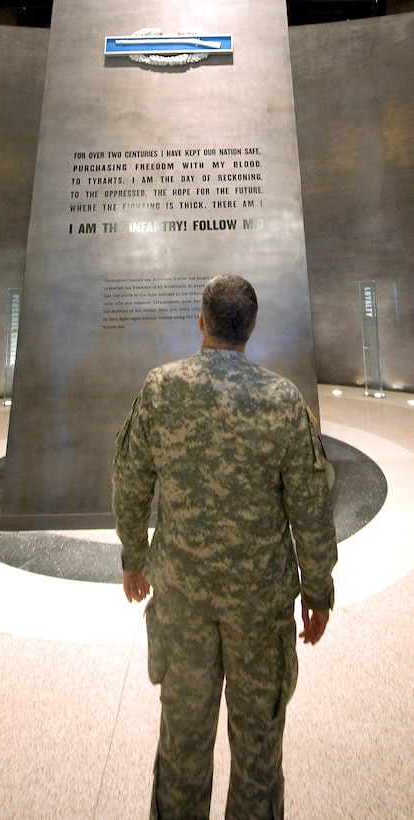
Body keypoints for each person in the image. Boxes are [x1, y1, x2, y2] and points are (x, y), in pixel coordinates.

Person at [112, 274, 338, 819]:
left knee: (182, 741)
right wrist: (318, 590)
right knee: (259, 746)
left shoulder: (161, 388)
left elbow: (129, 480)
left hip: (183, 597)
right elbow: (310, 505)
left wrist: (133, 557)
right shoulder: (283, 400)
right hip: (259, 605)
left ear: (201, 322)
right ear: (251, 329)